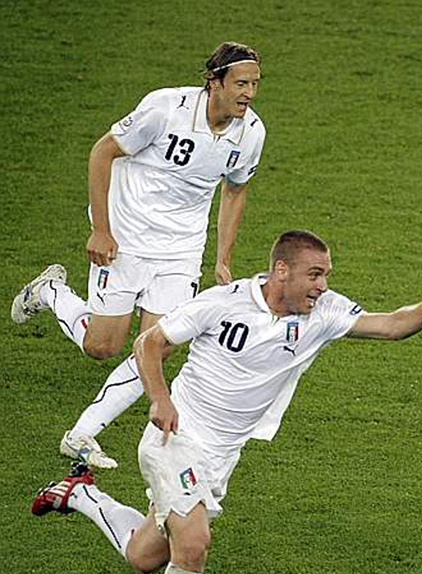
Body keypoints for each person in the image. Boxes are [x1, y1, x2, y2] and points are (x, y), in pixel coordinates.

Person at [31, 230, 422, 574]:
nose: (322, 286)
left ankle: (79, 494)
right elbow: (149, 343)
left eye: (326, 276)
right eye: (315, 274)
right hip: (176, 437)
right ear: (281, 270)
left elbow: (390, 325)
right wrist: (160, 399)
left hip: (222, 455)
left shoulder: (322, 312)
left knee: (145, 558)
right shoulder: (224, 302)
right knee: (193, 546)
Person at [12, 41, 266, 468]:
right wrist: (101, 228)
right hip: (126, 237)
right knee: (102, 346)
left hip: (180, 249)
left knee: (157, 346)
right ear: (214, 81)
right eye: (241, 83)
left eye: (255, 85)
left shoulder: (251, 133)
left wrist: (222, 257)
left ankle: (83, 433)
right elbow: (103, 152)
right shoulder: (165, 108)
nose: (249, 93)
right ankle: (51, 291)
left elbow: (235, 190)